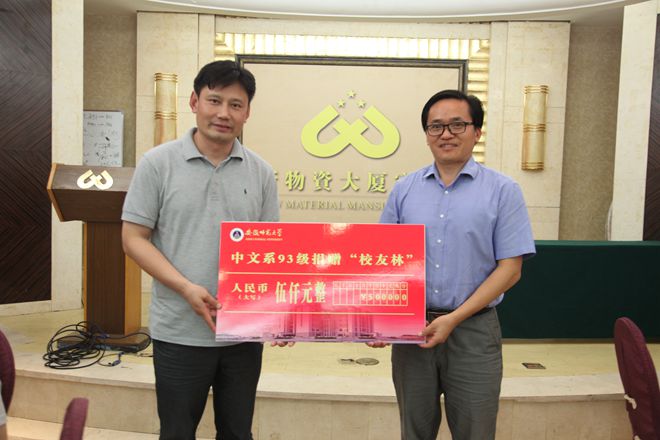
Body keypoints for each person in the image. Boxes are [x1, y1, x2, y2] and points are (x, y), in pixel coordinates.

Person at [122, 60, 280, 440]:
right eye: (215, 100)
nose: (224, 113)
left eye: (236, 105)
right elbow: (133, 237)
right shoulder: (157, 164)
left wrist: (282, 315)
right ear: (194, 102)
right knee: (177, 432)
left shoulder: (261, 172)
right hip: (179, 332)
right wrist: (185, 288)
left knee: (237, 432)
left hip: (242, 336)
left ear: (247, 113)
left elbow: (271, 251)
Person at [377, 89, 536, 440]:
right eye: (435, 126)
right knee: (414, 432)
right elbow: (382, 261)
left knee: (476, 431)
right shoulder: (404, 190)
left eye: (457, 125)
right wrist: (378, 323)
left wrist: (453, 318)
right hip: (413, 331)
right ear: (426, 134)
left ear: (477, 131)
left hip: (473, 331)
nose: (445, 134)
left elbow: (511, 268)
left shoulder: (503, 191)